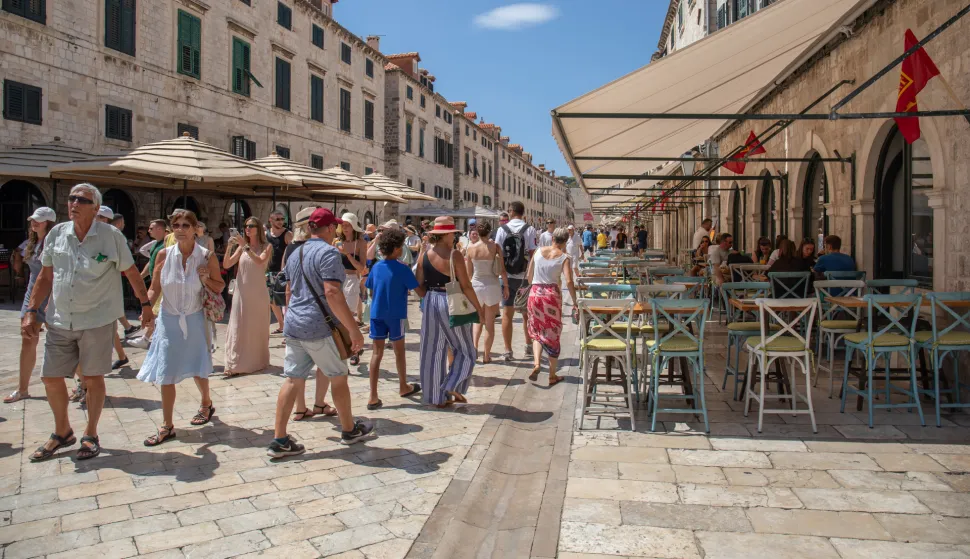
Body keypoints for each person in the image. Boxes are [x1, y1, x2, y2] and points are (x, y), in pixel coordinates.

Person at [22, 183, 152, 461]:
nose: (73, 203)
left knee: (92, 379)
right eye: (71, 198)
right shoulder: (57, 233)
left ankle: (90, 434)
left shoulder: (111, 236)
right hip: (60, 319)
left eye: (81, 199)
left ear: (95, 208)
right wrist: (32, 310)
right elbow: (45, 276)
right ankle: (62, 432)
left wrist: (145, 305)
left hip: (97, 319)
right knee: (50, 377)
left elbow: (131, 272)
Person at [273, 208, 372, 457]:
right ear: (329, 229)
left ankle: (279, 439)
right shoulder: (329, 253)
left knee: (293, 378)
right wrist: (353, 330)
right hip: (319, 326)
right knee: (338, 375)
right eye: (335, 227)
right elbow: (332, 293)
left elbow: (290, 289)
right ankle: (349, 429)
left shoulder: (297, 252)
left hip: (294, 322)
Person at [138, 209, 224, 445]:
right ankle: (167, 426)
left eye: (186, 225)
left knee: (198, 366)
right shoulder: (164, 255)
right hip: (169, 319)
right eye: (176, 225)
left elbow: (219, 286)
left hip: (195, 318)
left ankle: (206, 403)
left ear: (195, 229)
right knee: (166, 371)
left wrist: (206, 279)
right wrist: (147, 308)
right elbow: (155, 287)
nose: (180, 230)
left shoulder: (206, 256)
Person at [416, 217, 482, 407]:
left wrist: (428, 298)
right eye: (453, 232)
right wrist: (478, 309)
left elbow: (418, 284)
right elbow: (466, 286)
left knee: (432, 350)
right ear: (447, 235)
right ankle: (452, 384)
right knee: (466, 349)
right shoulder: (455, 255)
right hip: (451, 301)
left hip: (430, 300)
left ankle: (436, 398)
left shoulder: (425, 254)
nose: (454, 235)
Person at [365, 228, 421, 409]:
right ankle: (403, 385)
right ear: (397, 249)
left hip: (376, 314)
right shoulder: (403, 269)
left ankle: (372, 396)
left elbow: (371, 290)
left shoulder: (376, 267)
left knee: (376, 354)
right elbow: (419, 291)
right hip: (396, 315)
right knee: (399, 351)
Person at [6, 207, 57, 404]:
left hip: (51, 295)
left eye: (39, 220)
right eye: (33, 220)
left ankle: (84, 384)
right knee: (27, 340)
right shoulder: (32, 242)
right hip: (32, 294)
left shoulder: (54, 242)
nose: (34, 223)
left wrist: (52, 299)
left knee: (62, 342)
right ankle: (23, 389)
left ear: (49, 223)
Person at [526, 227, 577, 387]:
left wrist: (536, 285)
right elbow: (569, 281)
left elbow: (529, 276)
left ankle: (536, 363)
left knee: (536, 331)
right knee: (552, 332)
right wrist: (575, 301)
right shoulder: (564, 258)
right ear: (566, 241)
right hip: (551, 296)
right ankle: (552, 375)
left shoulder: (538, 252)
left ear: (552, 238)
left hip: (535, 293)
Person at [222, 216, 272, 377]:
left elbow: (259, 261)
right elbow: (227, 264)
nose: (247, 228)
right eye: (245, 226)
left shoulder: (267, 246)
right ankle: (234, 363)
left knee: (256, 328)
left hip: (258, 293)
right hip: (241, 292)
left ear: (258, 228)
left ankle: (256, 361)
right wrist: (230, 247)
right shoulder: (243, 247)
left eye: (251, 225)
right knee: (238, 325)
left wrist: (245, 247)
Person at [494, 201, 537, 361]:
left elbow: (499, 256)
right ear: (523, 212)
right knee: (526, 314)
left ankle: (508, 350)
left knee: (507, 314)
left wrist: (503, 279)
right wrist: (530, 277)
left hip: (506, 277)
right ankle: (528, 347)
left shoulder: (501, 230)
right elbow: (533, 254)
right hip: (525, 277)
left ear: (511, 211)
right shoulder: (530, 229)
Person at [466, 220, 509, 364]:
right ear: (490, 232)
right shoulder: (495, 247)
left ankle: (474, 350)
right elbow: (502, 269)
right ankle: (486, 355)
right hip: (492, 285)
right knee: (489, 323)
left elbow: (468, 273)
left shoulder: (470, 248)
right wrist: (506, 286)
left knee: (477, 321)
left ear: (477, 232)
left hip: (476, 285)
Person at [128, 219, 169, 349]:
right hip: (156, 282)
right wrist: (141, 276)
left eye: (151, 228)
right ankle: (148, 338)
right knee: (156, 312)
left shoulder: (166, 245)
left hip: (163, 284)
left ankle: (146, 338)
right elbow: (151, 262)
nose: (149, 231)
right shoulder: (156, 244)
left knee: (155, 312)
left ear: (160, 229)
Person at [266, 211, 292, 334]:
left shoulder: (287, 234)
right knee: (272, 301)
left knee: (285, 300)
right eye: (277, 219)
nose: (280, 221)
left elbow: (292, 253)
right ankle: (281, 325)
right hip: (269, 271)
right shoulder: (266, 235)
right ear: (270, 220)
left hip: (283, 272)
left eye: (282, 219)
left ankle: (288, 327)